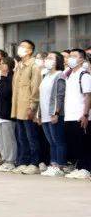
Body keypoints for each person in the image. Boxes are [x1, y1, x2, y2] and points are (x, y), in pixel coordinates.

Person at [11, 40, 42, 175]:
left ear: (30, 51)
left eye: (23, 47)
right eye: (20, 46)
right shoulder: (19, 66)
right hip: (18, 107)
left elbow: (35, 88)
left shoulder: (34, 66)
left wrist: (32, 106)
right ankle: (23, 162)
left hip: (28, 107)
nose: (20, 49)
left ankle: (34, 163)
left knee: (31, 137)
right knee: (21, 137)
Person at [62, 50, 91, 179]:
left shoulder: (84, 75)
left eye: (74, 56)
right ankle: (79, 167)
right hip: (69, 115)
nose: (70, 58)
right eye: (70, 56)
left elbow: (88, 96)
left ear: (82, 60)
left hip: (80, 115)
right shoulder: (69, 75)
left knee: (83, 143)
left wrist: (85, 114)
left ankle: (86, 168)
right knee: (74, 142)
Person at [38, 51, 67, 177]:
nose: (47, 60)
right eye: (47, 58)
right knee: (51, 141)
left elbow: (60, 95)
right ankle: (53, 164)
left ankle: (60, 165)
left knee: (58, 140)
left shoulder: (60, 75)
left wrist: (56, 112)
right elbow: (42, 96)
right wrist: (39, 114)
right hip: (44, 114)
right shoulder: (45, 76)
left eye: (50, 58)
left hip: (54, 114)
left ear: (57, 61)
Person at [0, 57, 17, 171]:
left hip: (7, 113)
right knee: (2, 139)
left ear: (9, 66)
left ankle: (11, 160)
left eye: (3, 64)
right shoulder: (2, 78)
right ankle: (4, 158)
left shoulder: (11, 77)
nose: (1, 66)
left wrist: (3, 77)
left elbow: (6, 92)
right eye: (1, 64)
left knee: (9, 139)